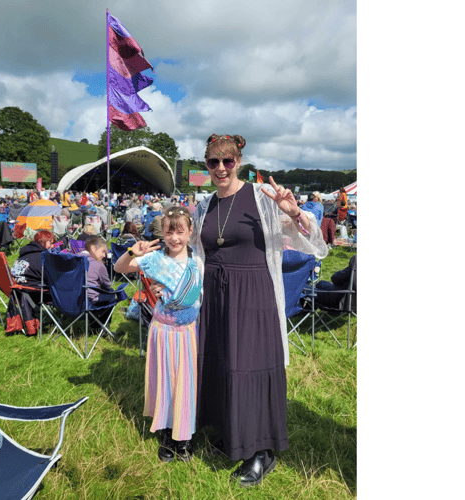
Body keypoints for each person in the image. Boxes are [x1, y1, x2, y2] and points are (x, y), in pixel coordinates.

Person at [190, 134, 328, 488]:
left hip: (252, 295)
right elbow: (195, 253)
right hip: (215, 297)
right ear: (206, 165)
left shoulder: (262, 198)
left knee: (249, 367)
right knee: (220, 363)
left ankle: (261, 451)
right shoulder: (204, 205)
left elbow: (312, 243)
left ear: (239, 162)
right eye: (213, 162)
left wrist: (294, 212)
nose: (220, 168)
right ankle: (230, 432)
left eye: (227, 161)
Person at [113, 206, 203, 463]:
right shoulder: (155, 259)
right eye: (169, 232)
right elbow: (120, 269)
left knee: (186, 385)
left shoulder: (198, 260)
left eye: (180, 232)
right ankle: (166, 433)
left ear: (190, 232)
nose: (175, 238)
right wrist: (132, 251)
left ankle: (183, 438)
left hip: (188, 333)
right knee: (165, 382)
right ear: (162, 233)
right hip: (162, 332)